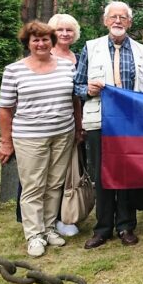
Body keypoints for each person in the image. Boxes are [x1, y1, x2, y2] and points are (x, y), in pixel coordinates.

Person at [0, 22, 80, 257]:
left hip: (63, 133)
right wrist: (6, 142)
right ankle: (34, 234)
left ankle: (49, 227)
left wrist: (77, 127)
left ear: (51, 42)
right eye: (36, 40)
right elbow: (5, 109)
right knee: (33, 186)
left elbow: (74, 100)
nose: (41, 44)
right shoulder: (14, 70)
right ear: (28, 43)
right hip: (30, 136)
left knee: (54, 183)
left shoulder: (66, 67)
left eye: (45, 39)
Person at [75, 1, 143, 249]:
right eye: (113, 17)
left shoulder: (142, 51)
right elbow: (76, 86)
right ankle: (103, 228)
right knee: (103, 174)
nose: (118, 21)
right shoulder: (90, 47)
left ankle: (126, 226)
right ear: (105, 21)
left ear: (130, 22)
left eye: (123, 17)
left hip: (131, 123)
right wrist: (88, 89)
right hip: (100, 121)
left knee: (127, 174)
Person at [47, 13, 81, 237]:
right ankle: (42, 221)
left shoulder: (78, 58)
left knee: (67, 174)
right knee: (45, 174)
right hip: (44, 124)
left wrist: (79, 125)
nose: (65, 34)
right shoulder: (43, 55)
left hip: (69, 122)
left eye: (69, 30)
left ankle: (64, 217)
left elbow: (77, 96)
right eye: (60, 30)